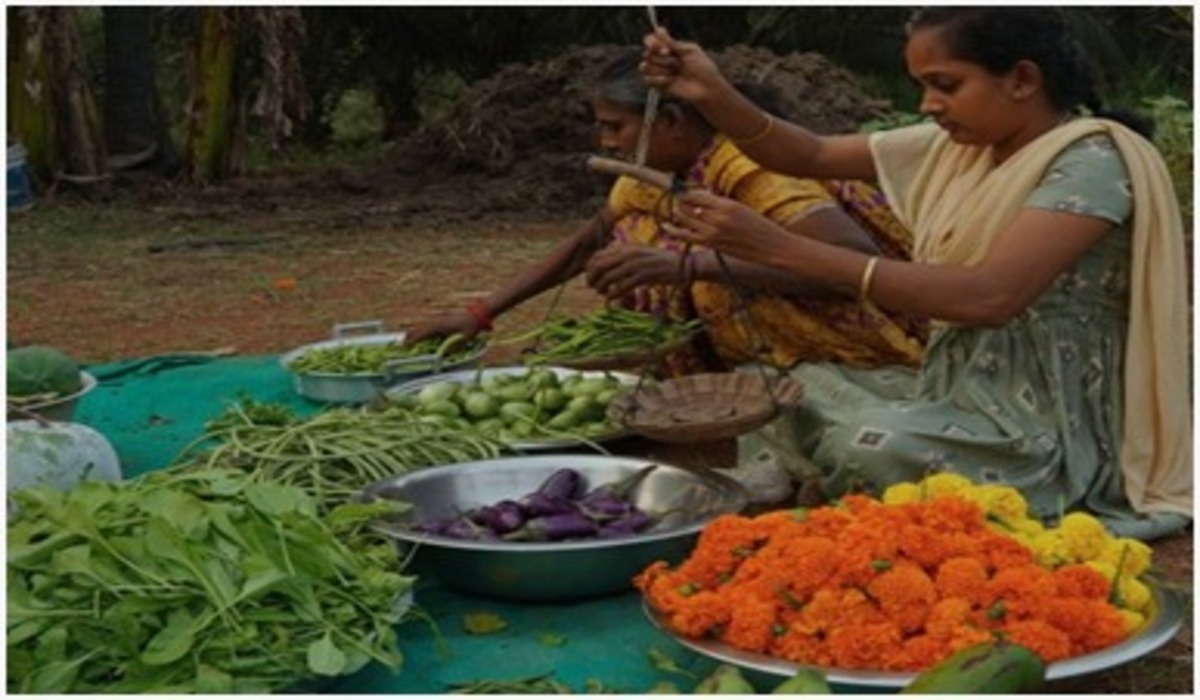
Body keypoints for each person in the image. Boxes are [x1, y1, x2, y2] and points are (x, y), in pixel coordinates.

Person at [639, 7, 1191, 539]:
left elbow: (990, 298)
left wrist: (779, 249)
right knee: (794, 384)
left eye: (945, 85)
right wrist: (710, 92)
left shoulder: (1091, 163)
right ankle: (816, 468)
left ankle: (841, 474)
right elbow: (809, 154)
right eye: (922, 85)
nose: (928, 104)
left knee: (867, 445)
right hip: (957, 385)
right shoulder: (962, 148)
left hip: (1046, 423)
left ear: (1022, 78)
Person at [408, 46, 926, 377]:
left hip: (850, 328)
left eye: (615, 127)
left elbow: (850, 262)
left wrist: (690, 265)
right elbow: (588, 242)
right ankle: (705, 363)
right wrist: (481, 313)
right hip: (750, 315)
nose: (605, 141)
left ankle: (787, 365)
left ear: (672, 122)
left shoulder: (750, 167)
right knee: (637, 231)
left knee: (679, 249)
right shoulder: (651, 177)